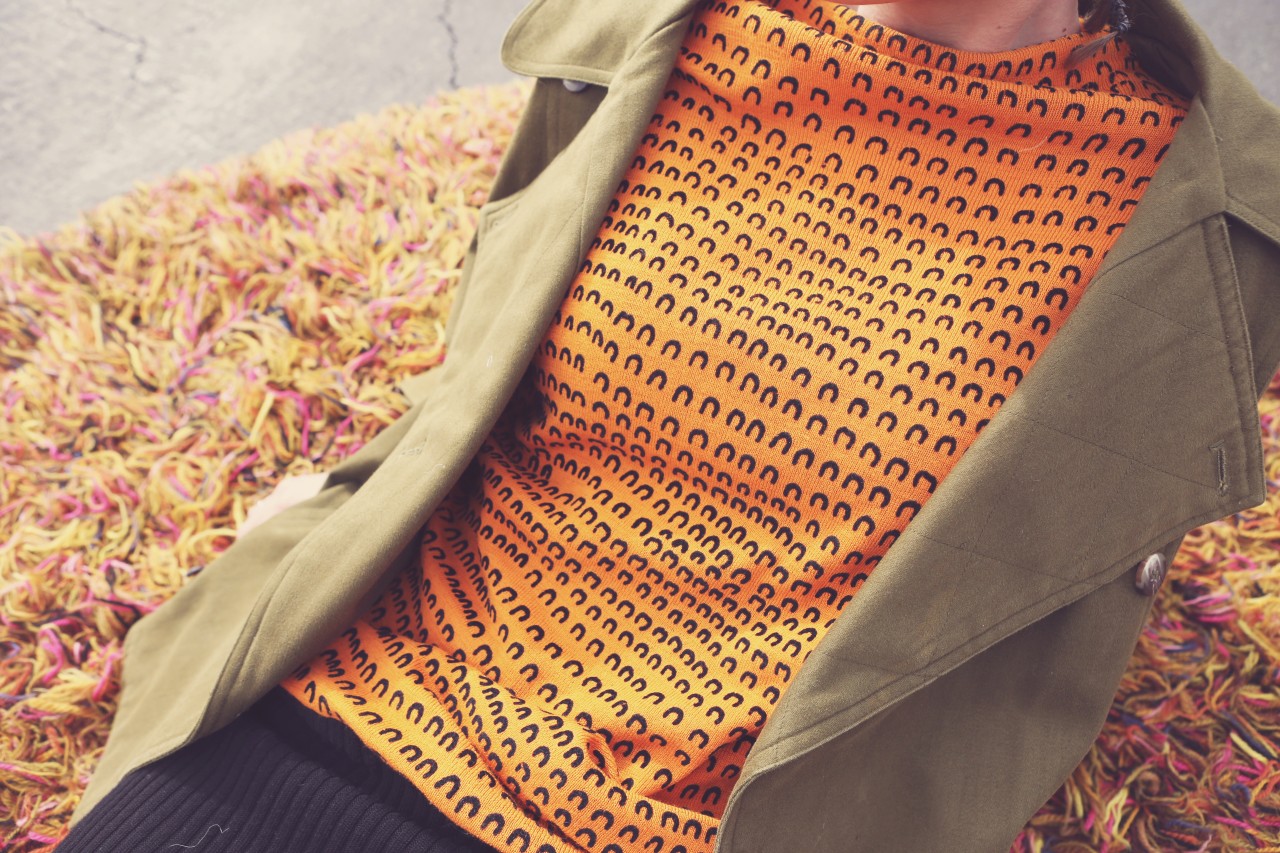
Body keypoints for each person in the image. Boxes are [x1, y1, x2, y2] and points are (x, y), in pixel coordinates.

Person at [56, 0, 1280, 851]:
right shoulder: (656, 35)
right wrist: (350, 496)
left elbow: (1057, 576)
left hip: (706, 819)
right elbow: (486, 370)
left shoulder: (1208, 208)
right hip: (354, 704)